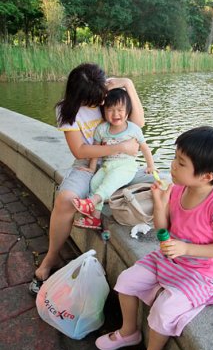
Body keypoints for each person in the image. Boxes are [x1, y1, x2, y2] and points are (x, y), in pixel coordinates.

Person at [95, 126, 213, 350]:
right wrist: (160, 204)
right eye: (175, 157)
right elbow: (164, 234)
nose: (172, 165)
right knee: (126, 281)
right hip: (170, 259)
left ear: (206, 176)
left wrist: (186, 248)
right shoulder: (177, 189)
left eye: (181, 163)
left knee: (163, 311)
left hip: (200, 273)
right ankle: (129, 331)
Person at [29, 62, 152, 295]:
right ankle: (51, 259)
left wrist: (128, 84)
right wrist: (123, 147)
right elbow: (80, 151)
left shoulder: (107, 89)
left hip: (122, 163)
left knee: (161, 186)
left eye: (101, 99)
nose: (99, 104)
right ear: (78, 96)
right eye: (93, 101)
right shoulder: (66, 110)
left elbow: (139, 123)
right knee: (65, 199)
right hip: (88, 165)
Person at [71, 88, 155, 229]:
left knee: (110, 181)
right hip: (107, 165)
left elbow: (145, 148)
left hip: (126, 166)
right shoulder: (102, 129)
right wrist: (91, 169)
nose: (115, 114)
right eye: (110, 110)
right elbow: (96, 151)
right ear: (104, 111)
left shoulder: (133, 129)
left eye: (120, 110)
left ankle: (91, 202)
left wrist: (150, 166)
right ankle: (95, 218)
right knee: (94, 183)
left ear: (127, 111)